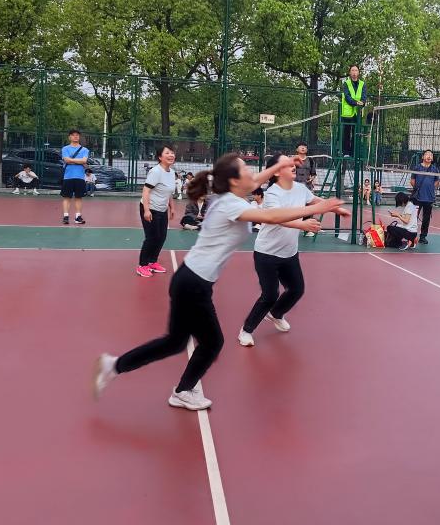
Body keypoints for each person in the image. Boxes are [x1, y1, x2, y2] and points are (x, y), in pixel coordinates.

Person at [93, 154, 349, 411]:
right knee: (212, 342)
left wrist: (280, 165)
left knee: (175, 342)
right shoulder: (230, 205)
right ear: (235, 180)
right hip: (193, 284)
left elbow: (254, 183)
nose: (253, 175)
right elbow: (271, 217)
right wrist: (317, 208)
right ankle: (180, 390)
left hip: (190, 280)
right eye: (246, 170)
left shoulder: (232, 196)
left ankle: (115, 366)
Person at [238, 154, 322, 347]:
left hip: (289, 253)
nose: (292, 165)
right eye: (286, 163)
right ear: (276, 172)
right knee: (270, 295)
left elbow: (315, 200)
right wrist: (302, 225)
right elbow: (278, 218)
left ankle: (276, 313)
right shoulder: (272, 194)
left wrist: (333, 205)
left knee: (297, 289)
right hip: (267, 254)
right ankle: (246, 330)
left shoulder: (301, 188)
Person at [136, 145, 177, 278]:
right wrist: (146, 210)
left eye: (172, 153)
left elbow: (168, 192)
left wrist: (172, 207)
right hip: (150, 208)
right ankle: (142, 265)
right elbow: (146, 191)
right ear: (160, 157)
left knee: (161, 237)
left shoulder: (171, 172)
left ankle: (152, 261)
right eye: (167, 153)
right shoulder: (155, 172)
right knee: (151, 237)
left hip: (162, 209)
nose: (171, 155)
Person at [409, 149, 440, 245]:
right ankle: (412, 236)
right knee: (414, 217)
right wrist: (418, 189)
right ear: (423, 157)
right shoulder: (417, 168)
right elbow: (412, 181)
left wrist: (430, 188)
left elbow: (437, 181)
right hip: (417, 197)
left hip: (429, 198)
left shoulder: (434, 169)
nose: (429, 156)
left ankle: (423, 237)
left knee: (426, 219)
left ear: (432, 158)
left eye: (431, 155)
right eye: (427, 154)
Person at [60, 129, 89, 225]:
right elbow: (66, 160)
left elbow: (84, 161)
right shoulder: (65, 149)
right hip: (68, 177)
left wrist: (72, 160)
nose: (75, 136)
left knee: (78, 197)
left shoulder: (85, 150)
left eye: (77, 135)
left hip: (80, 177)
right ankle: (65, 216)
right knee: (67, 197)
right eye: (73, 135)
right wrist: (79, 161)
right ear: (69, 137)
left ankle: (78, 217)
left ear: (79, 137)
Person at [339, 64, 365, 156]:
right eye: (352, 70)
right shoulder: (346, 83)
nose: (354, 72)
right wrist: (356, 103)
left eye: (356, 70)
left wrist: (362, 102)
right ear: (350, 72)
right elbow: (347, 97)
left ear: (358, 72)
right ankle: (345, 152)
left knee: (356, 133)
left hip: (358, 113)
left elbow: (364, 97)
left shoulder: (362, 84)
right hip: (347, 113)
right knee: (346, 132)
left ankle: (354, 153)